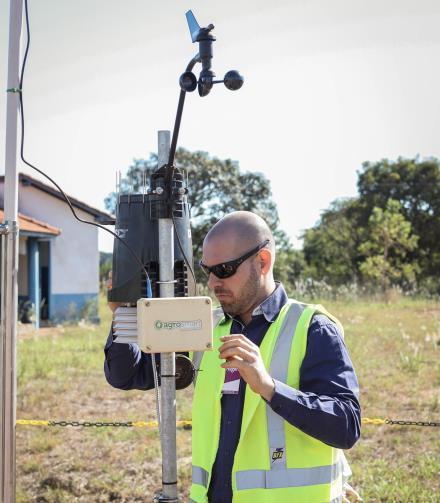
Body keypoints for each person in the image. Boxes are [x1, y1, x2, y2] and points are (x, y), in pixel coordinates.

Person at [104, 211, 361, 503]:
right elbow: (129, 375)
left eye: (224, 269)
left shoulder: (311, 327)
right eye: (207, 270)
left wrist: (269, 387)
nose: (213, 283)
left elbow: (346, 425)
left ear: (262, 262)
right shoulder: (205, 327)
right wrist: (123, 312)